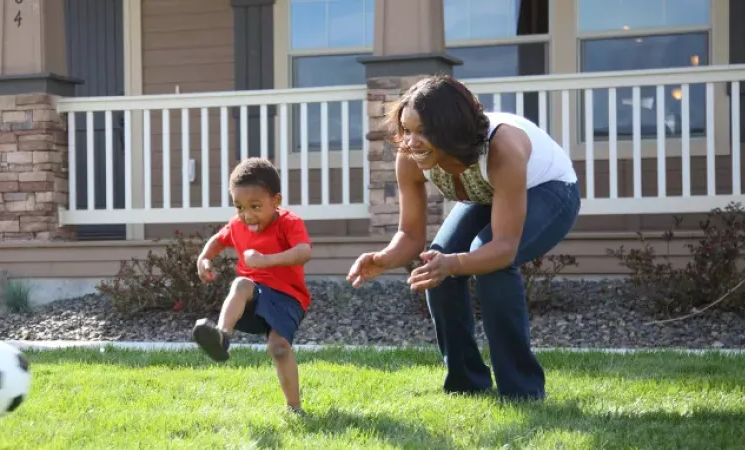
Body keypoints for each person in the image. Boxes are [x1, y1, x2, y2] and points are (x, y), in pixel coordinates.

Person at [346, 74, 580, 401]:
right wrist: (384, 259)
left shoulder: (502, 148)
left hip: (551, 191)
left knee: (490, 261)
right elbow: (411, 236)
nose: (411, 141)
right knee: (436, 261)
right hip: (487, 196)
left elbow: (503, 249)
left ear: (449, 128)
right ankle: (466, 384)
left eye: (422, 131)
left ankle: (521, 391)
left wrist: (456, 263)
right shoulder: (410, 155)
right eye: (407, 130)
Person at [192, 157, 313, 414]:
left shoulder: (290, 222)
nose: (247, 215)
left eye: (255, 206)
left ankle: (294, 408)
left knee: (279, 349)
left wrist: (266, 261)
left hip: (288, 298)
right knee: (242, 283)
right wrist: (204, 258)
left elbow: (303, 251)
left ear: (276, 201)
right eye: (239, 207)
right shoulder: (238, 224)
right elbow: (218, 239)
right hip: (253, 296)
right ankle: (222, 337)